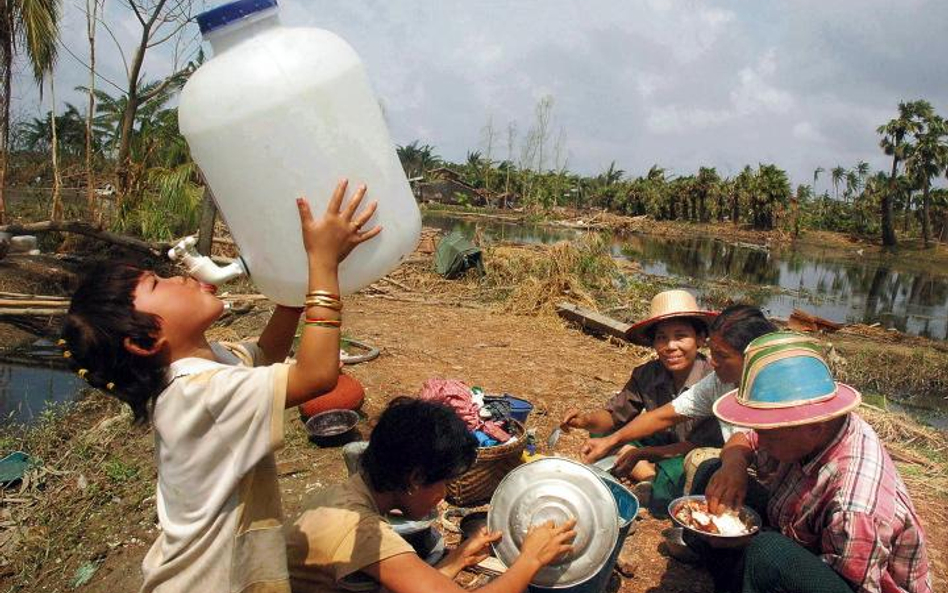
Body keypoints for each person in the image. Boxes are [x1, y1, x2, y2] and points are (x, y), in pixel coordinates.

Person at [60, 179, 381, 593]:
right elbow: (317, 375)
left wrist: (290, 286)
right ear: (143, 341)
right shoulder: (200, 395)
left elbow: (265, 354)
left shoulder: (206, 365)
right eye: (159, 284)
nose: (177, 279)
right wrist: (323, 265)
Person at [696, 331, 932, 593]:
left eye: (766, 433)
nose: (759, 441)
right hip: (807, 539)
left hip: (851, 583)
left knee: (768, 553)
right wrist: (734, 466)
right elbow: (743, 439)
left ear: (814, 427)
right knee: (713, 473)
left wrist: (753, 544)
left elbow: (856, 586)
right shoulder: (816, 429)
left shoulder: (855, 507)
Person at [286, 398, 576, 593]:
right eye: (445, 483)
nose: (444, 494)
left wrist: (457, 560)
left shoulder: (349, 495)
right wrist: (531, 560)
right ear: (414, 478)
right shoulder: (360, 531)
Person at [560, 289, 719, 506]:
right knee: (603, 431)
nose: (671, 346)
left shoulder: (715, 380)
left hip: (692, 452)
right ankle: (642, 467)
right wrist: (585, 420)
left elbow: (696, 446)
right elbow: (614, 416)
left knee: (679, 479)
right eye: (662, 338)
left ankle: (646, 473)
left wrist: (642, 452)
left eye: (680, 336)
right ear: (653, 343)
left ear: (700, 339)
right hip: (661, 441)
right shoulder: (646, 374)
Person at [581, 305, 777, 479]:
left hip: (741, 467)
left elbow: (741, 443)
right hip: (731, 461)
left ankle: (652, 476)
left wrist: (734, 464)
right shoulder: (717, 382)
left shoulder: (775, 392)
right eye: (662, 338)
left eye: (722, 356)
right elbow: (663, 416)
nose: (714, 361)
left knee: (694, 469)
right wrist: (610, 441)